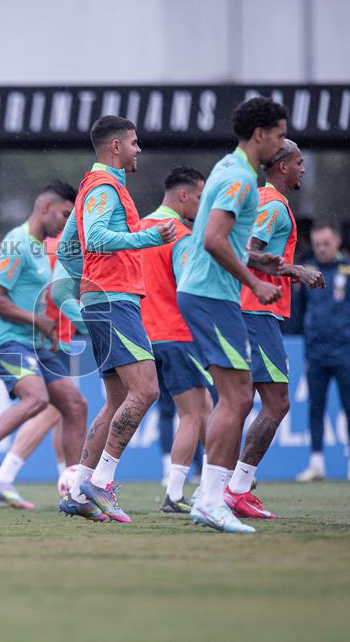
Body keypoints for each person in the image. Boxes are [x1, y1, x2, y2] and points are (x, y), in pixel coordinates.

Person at [55, 116, 177, 524]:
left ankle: (79, 490)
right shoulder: (104, 186)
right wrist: (148, 238)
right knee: (146, 391)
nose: (139, 149)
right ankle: (102, 482)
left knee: (116, 400)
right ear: (115, 147)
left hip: (103, 300)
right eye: (134, 142)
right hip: (113, 301)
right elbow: (95, 238)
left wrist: (86, 287)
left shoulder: (94, 187)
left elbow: (68, 249)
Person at [176, 96, 288, 534]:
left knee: (237, 397)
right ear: (260, 134)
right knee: (238, 398)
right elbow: (213, 239)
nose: (282, 144)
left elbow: (220, 238)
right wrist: (254, 283)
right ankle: (210, 500)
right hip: (210, 295)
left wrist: (257, 262)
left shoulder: (228, 166)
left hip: (207, 293)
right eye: (279, 135)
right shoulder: (240, 178)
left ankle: (210, 498)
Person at [0, 182, 87, 510]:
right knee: (37, 399)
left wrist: (50, 329)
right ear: (45, 208)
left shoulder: (42, 248)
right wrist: (37, 321)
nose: (66, 224)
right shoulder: (17, 243)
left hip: (36, 344)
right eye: (64, 214)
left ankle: (78, 491)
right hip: (6, 343)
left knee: (75, 406)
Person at [226, 140, 325, 519]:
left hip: (252, 312)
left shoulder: (266, 201)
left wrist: (287, 272)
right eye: (299, 163)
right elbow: (244, 251)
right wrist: (294, 269)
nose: (303, 169)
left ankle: (222, 485)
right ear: (282, 167)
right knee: (276, 402)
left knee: (239, 402)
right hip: (255, 314)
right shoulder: (272, 205)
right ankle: (235, 488)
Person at [139, 166, 215, 513]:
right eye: (200, 197)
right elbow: (189, 289)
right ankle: (174, 493)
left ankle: (221, 478)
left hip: (145, 336)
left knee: (204, 407)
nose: (202, 204)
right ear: (184, 195)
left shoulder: (138, 229)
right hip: (178, 334)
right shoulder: (180, 236)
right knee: (191, 414)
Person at [293, 223, 350, 482]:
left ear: (337, 241)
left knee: (349, 404)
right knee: (315, 406)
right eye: (317, 244)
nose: (321, 249)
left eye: (326, 243)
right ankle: (316, 463)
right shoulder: (307, 272)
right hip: (315, 351)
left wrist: (348, 332)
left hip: (345, 350)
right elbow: (299, 310)